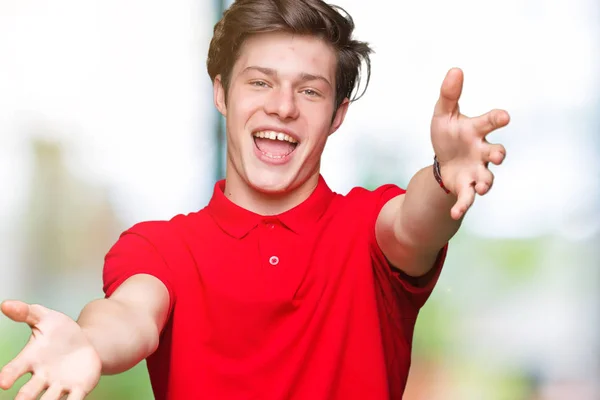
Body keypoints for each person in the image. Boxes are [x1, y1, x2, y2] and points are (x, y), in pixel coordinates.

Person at [0, 0, 510, 399]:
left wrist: (444, 175)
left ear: (337, 116)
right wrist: (88, 342)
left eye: (310, 91)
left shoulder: (366, 228)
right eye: (260, 82)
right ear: (222, 94)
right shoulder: (160, 247)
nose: (282, 106)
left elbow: (414, 225)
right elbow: (130, 315)